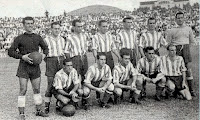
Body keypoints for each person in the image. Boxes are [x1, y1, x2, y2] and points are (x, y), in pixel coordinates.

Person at [8, 17, 49, 120]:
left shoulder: (38, 37)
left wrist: (43, 56)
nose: (30, 25)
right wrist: (22, 57)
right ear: (23, 25)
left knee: (36, 89)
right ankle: (21, 114)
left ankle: (39, 111)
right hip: (23, 66)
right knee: (23, 89)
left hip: (35, 67)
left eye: (31, 23)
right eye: (27, 23)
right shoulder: (19, 38)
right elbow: (10, 51)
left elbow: (46, 48)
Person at [166, 11, 197, 97]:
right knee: (177, 69)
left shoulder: (188, 29)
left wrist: (186, 49)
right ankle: (177, 90)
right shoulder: (172, 30)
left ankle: (191, 90)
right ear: (175, 19)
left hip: (186, 49)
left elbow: (192, 41)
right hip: (176, 49)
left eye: (181, 18)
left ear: (184, 18)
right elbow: (168, 43)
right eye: (178, 18)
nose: (180, 19)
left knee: (188, 70)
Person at [43, 22, 66, 114]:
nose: (57, 30)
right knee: (50, 84)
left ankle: (58, 103)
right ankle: (46, 106)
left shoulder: (63, 39)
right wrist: (49, 62)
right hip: (51, 61)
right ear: (51, 29)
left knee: (61, 84)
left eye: (58, 29)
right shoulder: (46, 40)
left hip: (61, 60)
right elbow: (43, 55)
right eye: (55, 28)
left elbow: (64, 52)